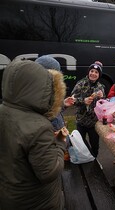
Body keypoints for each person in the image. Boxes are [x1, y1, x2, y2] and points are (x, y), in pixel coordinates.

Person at [0, 60, 67, 210]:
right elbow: (49, 172)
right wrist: (61, 142)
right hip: (36, 201)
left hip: (9, 194)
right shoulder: (39, 126)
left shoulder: (3, 110)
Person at [70, 61, 105, 158]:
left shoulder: (100, 87)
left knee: (95, 145)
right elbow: (71, 100)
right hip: (81, 120)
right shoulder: (80, 84)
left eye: (96, 72)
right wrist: (83, 101)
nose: (93, 73)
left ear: (99, 75)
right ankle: (84, 160)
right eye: (92, 71)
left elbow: (103, 105)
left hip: (94, 122)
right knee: (80, 144)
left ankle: (94, 161)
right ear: (89, 72)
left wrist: (102, 98)